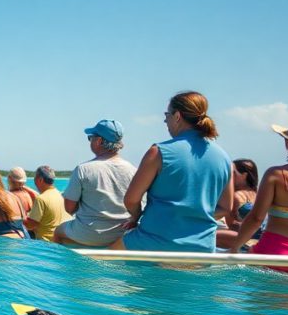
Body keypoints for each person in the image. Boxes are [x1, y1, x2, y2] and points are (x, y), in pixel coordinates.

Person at [113, 92, 233, 252]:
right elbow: (226, 208)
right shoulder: (224, 158)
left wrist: (136, 217)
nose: (165, 120)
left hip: (154, 243)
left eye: (166, 114)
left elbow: (131, 200)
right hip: (203, 248)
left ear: (177, 116)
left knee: (99, 265)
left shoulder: (158, 152)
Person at [228, 113, 288, 273]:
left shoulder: (277, 174)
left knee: (263, 298)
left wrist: (234, 248)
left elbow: (256, 218)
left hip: (275, 251)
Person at [53, 119, 136, 247]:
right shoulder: (133, 170)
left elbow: (69, 209)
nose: (90, 141)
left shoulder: (83, 169)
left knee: (58, 231)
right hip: (122, 233)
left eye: (90, 138)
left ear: (99, 141)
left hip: (89, 233)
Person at [216, 159, 260, 249]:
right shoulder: (259, 194)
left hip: (243, 239)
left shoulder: (236, 196)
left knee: (211, 235)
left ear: (244, 176)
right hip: (260, 238)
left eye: (233, 173)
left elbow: (231, 225)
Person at [25, 166, 72, 242]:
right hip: (59, 240)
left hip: (45, 243)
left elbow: (31, 225)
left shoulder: (41, 199)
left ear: (40, 180)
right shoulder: (59, 195)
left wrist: (19, 218)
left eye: (35, 179)